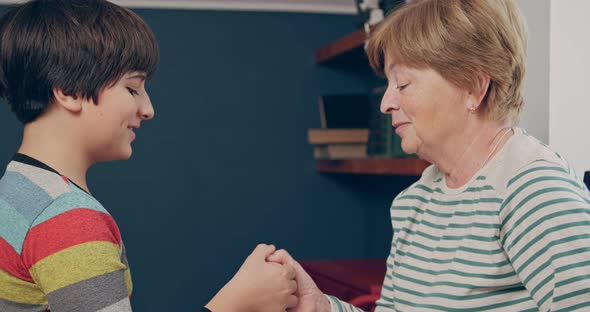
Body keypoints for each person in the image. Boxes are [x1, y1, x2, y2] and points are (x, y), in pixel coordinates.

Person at [268, 0, 590, 311]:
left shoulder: (532, 189)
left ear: (474, 87)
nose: (386, 103)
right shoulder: (414, 202)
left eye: (404, 83)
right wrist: (322, 308)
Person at [0, 1, 297, 311]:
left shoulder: (15, 190)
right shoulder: (69, 220)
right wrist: (238, 304)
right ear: (70, 91)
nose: (148, 109)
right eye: (132, 89)